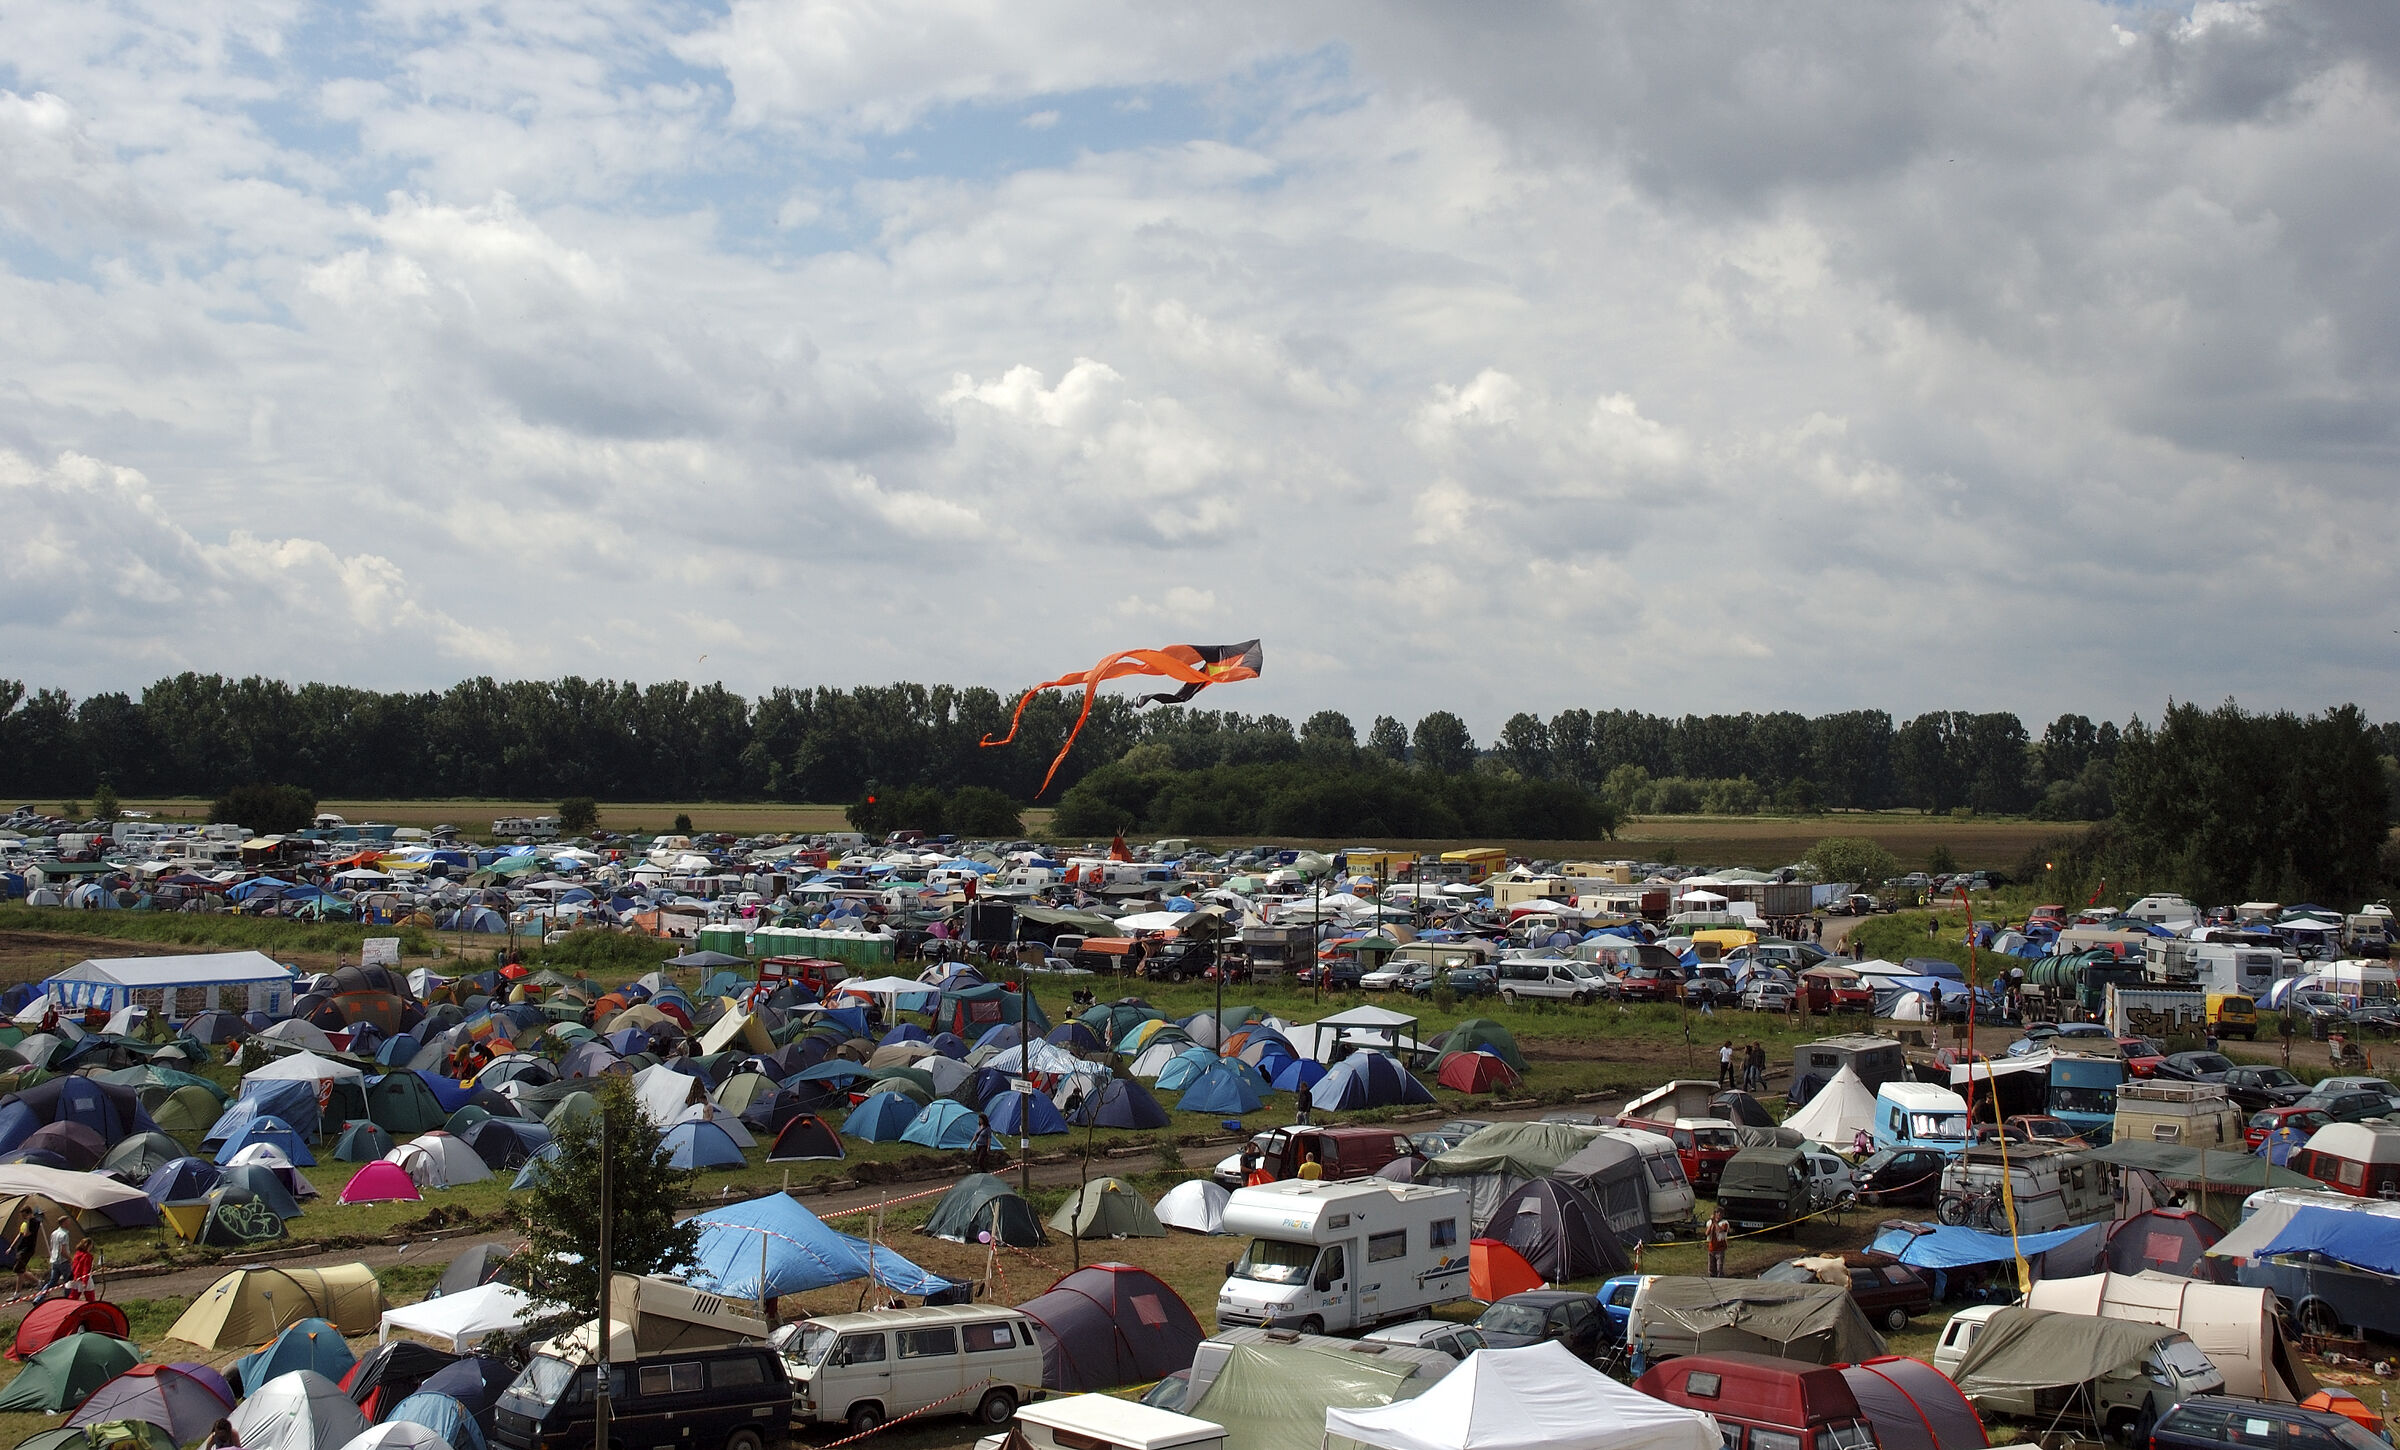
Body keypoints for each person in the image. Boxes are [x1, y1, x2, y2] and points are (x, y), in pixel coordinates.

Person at [34, 1220, 70, 1302]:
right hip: (63, 1261)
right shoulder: (64, 1234)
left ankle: (39, 1298)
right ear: (64, 1223)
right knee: (68, 1281)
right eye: (68, 1222)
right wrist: (70, 1259)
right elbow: (62, 1250)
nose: (69, 1224)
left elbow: (52, 1246)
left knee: (52, 1281)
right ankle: (68, 1298)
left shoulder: (54, 1233)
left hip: (54, 1261)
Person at [1705, 1207, 1731, 1278]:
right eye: (1717, 1213)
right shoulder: (1710, 1223)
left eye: (1720, 1213)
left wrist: (1715, 1222)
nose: (1719, 1214)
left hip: (1720, 1248)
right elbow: (1707, 1233)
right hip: (1711, 1248)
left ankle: (1720, 1278)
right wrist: (1712, 1224)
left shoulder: (1725, 1223)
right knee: (1711, 1267)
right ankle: (1712, 1277)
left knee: (1719, 1268)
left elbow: (1720, 1230)